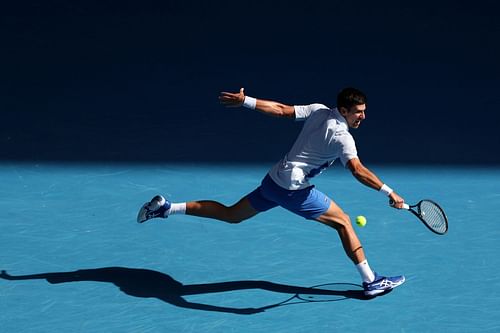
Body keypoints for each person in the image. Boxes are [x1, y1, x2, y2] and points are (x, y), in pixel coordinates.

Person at [137, 87, 406, 296]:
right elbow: (357, 170)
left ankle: (166, 208)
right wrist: (389, 192)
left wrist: (245, 101)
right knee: (344, 222)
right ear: (344, 110)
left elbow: (280, 109)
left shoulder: (318, 110)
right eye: (358, 112)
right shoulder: (343, 138)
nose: (363, 116)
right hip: (294, 190)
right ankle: (371, 281)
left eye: (364, 111)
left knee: (232, 215)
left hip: (274, 180)